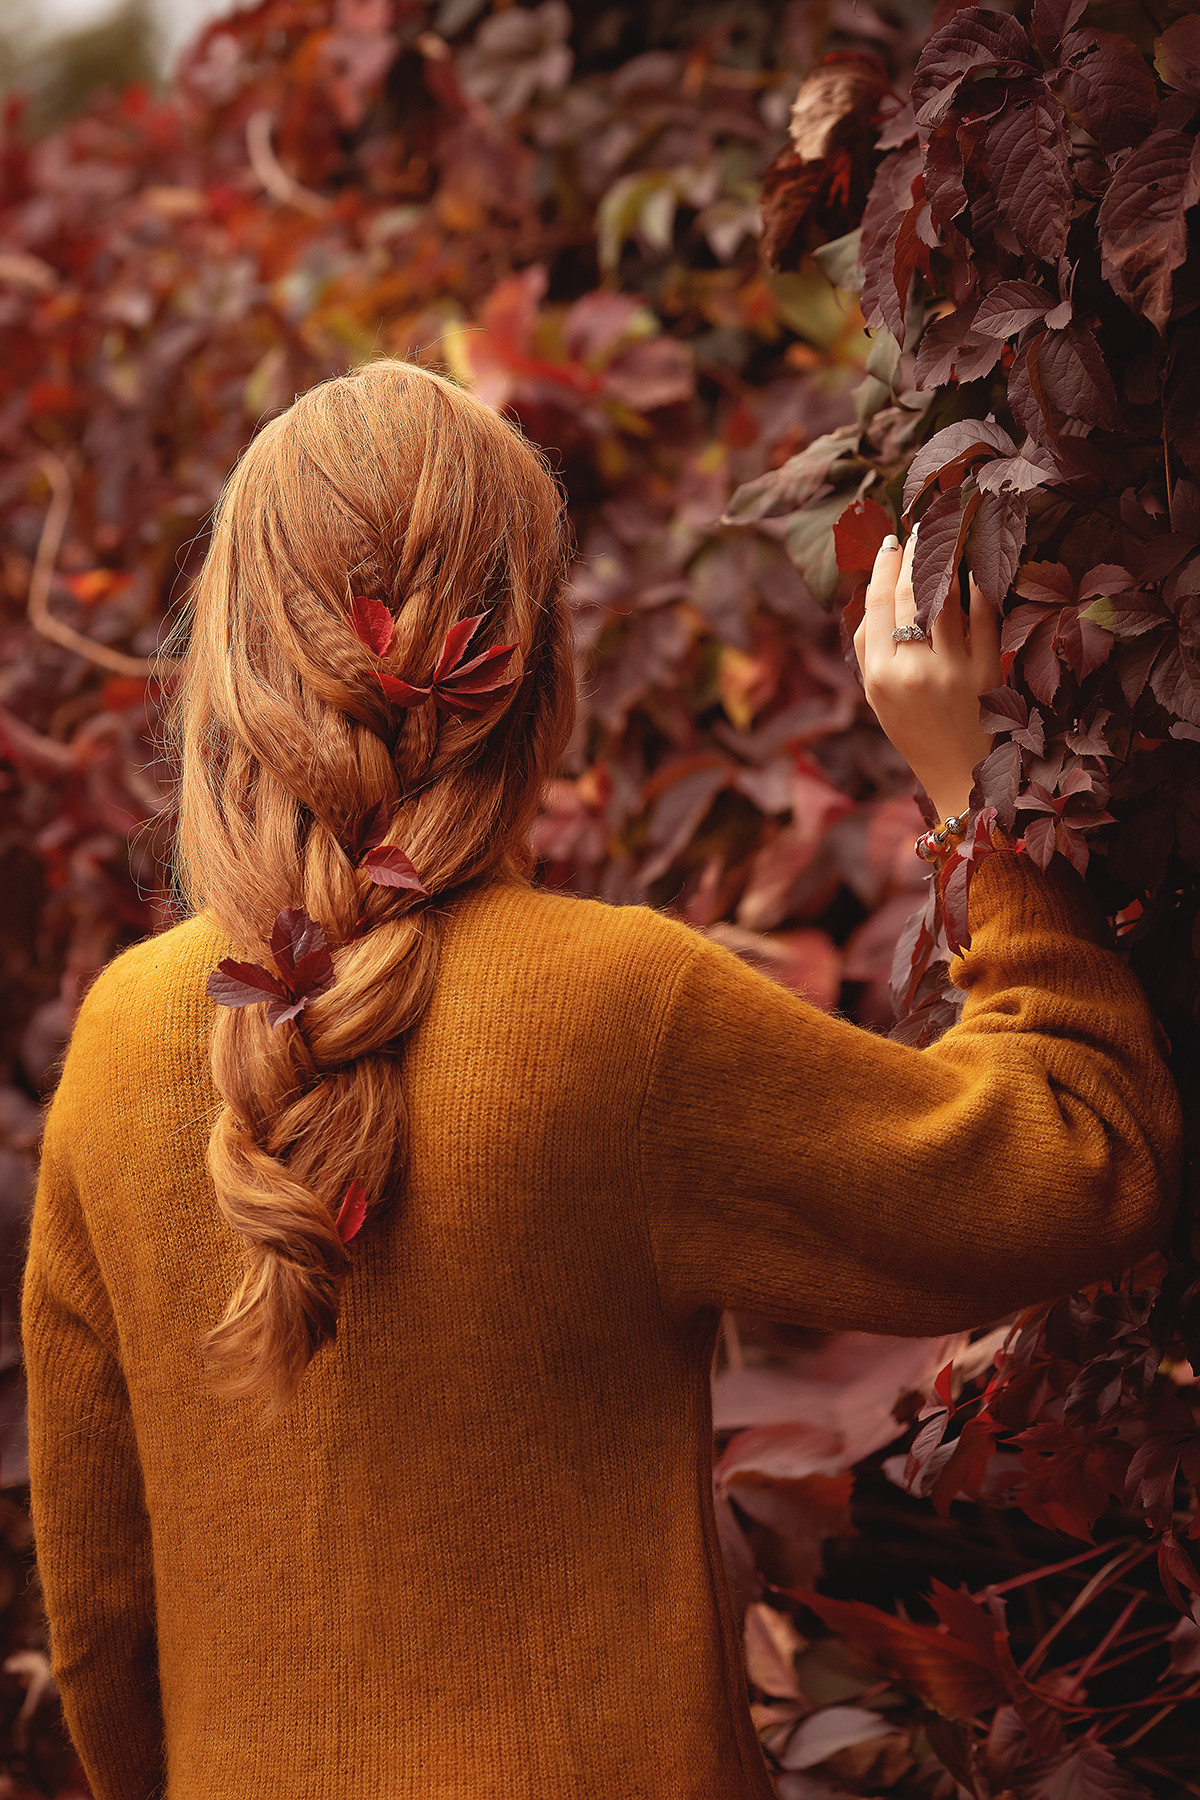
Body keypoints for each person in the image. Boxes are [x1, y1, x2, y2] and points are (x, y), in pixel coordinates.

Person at [21, 359, 1180, 1800]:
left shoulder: (123, 1043)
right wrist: (976, 803)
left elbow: (102, 1625)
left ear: (235, 666)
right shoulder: (613, 1016)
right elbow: (1077, 1162)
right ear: (536, 670)